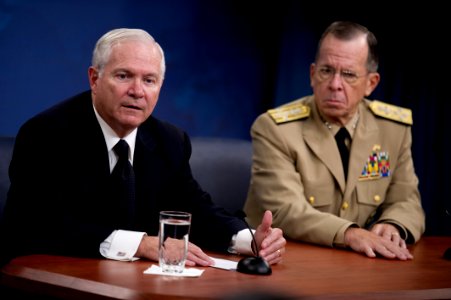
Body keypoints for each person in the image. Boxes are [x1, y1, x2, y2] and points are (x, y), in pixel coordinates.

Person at [0, 28, 286, 267]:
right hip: (57, 282)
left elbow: (195, 210)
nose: (137, 91)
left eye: (149, 80)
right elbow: (34, 225)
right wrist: (140, 243)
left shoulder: (168, 141)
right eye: (124, 76)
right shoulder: (47, 135)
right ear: (94, 79)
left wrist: (248, 239)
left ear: (160, 87)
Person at [244, 21, 425, 260]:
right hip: (288, 261)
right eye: (326, 71)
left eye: (348, 74)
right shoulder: (275, 129)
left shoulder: (392, 129)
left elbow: (407, 200)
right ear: (312, 74)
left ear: (371, 83)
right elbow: (285, 210)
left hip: (363, 263)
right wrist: (350, 234)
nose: (335, 84)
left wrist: (394, 225)